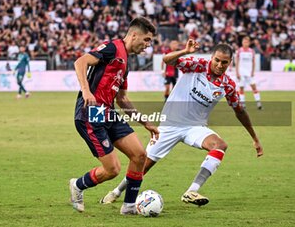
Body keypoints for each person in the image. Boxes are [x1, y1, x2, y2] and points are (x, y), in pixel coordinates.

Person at [100, 39, 264, 207]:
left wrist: (255, 138)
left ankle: (191, 191)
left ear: (230, 63)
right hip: (170, 125)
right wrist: (185, 51)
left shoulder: (227, 85)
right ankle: (116, 191)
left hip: (195, 127)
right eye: (217, 60)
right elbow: (166, 60)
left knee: (220, 145)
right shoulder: (198, 65)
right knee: (143, 165)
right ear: (212, 57)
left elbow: (240, 111)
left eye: (224, 62)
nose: (220, 65)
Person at [70, 17, 159, 215]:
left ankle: (128, 207)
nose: (147, 46)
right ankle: (77, 185)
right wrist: (86, 91)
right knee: (112, 170)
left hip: (108, 111)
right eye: (146, 40)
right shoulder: (112, 48)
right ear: (134, 35)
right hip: (90, 112)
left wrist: (146, 123)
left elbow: (122, 99)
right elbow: (80, 62)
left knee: (140, 155)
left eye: (149, 42)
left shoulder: (126, 63)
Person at [235, 36, 262, 110]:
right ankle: (243, 103)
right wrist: (237, 72)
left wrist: (253, 71)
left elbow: (253, 62)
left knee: (254, 87)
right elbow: (237, 62)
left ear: (249, 43)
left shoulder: (251, 51)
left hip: (249, 72)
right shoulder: (239, 51)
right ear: (242, 43)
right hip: (241, 72)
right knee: (241, 88)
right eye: (244, 42)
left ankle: (258, 102)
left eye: (247, 42)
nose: (245, 43)